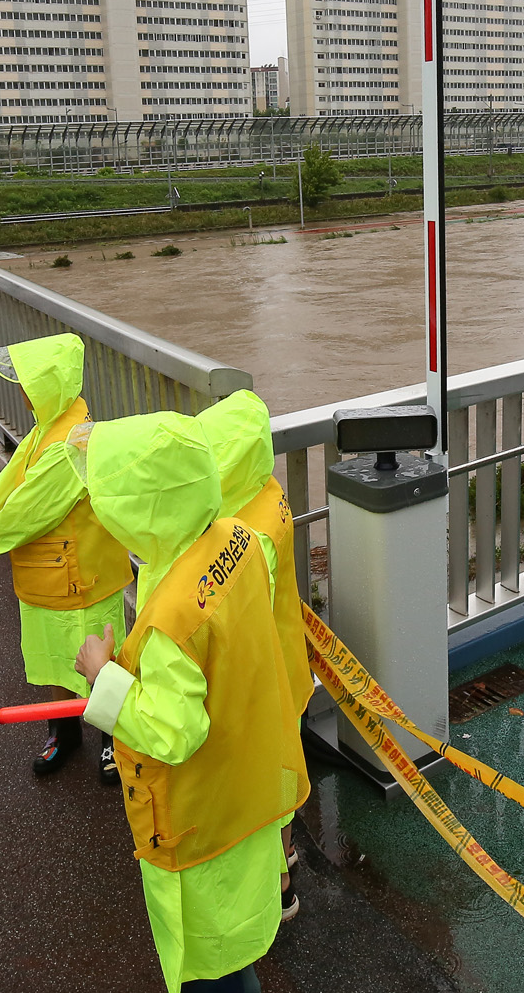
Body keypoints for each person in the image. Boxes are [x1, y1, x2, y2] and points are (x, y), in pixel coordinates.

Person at [73, 411, 309, 992]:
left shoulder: (171, 618)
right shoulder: (236, 538)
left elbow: (175, 731)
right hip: (247, 785)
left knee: (210, 965)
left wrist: (103, 678)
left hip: (201, 819)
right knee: (237, 950)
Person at [0, 332, 132, 782]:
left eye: (31, 381)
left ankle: (116, 738)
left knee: (100, 656)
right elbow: (9, 489)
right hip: (51, 572)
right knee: (56, 658)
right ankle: (64, 730)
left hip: (83, 574)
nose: (21, 390)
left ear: (50, 384)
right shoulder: (48, 427)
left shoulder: (71, 440)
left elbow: (28, 509)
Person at [196, 389, 313, 922]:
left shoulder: (247, 534)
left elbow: (237, 617)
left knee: (270, 782)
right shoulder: (267, 490)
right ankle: (285, 858)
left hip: (264, 681)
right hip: (288, 665)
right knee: (284, 772)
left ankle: (278, 885)